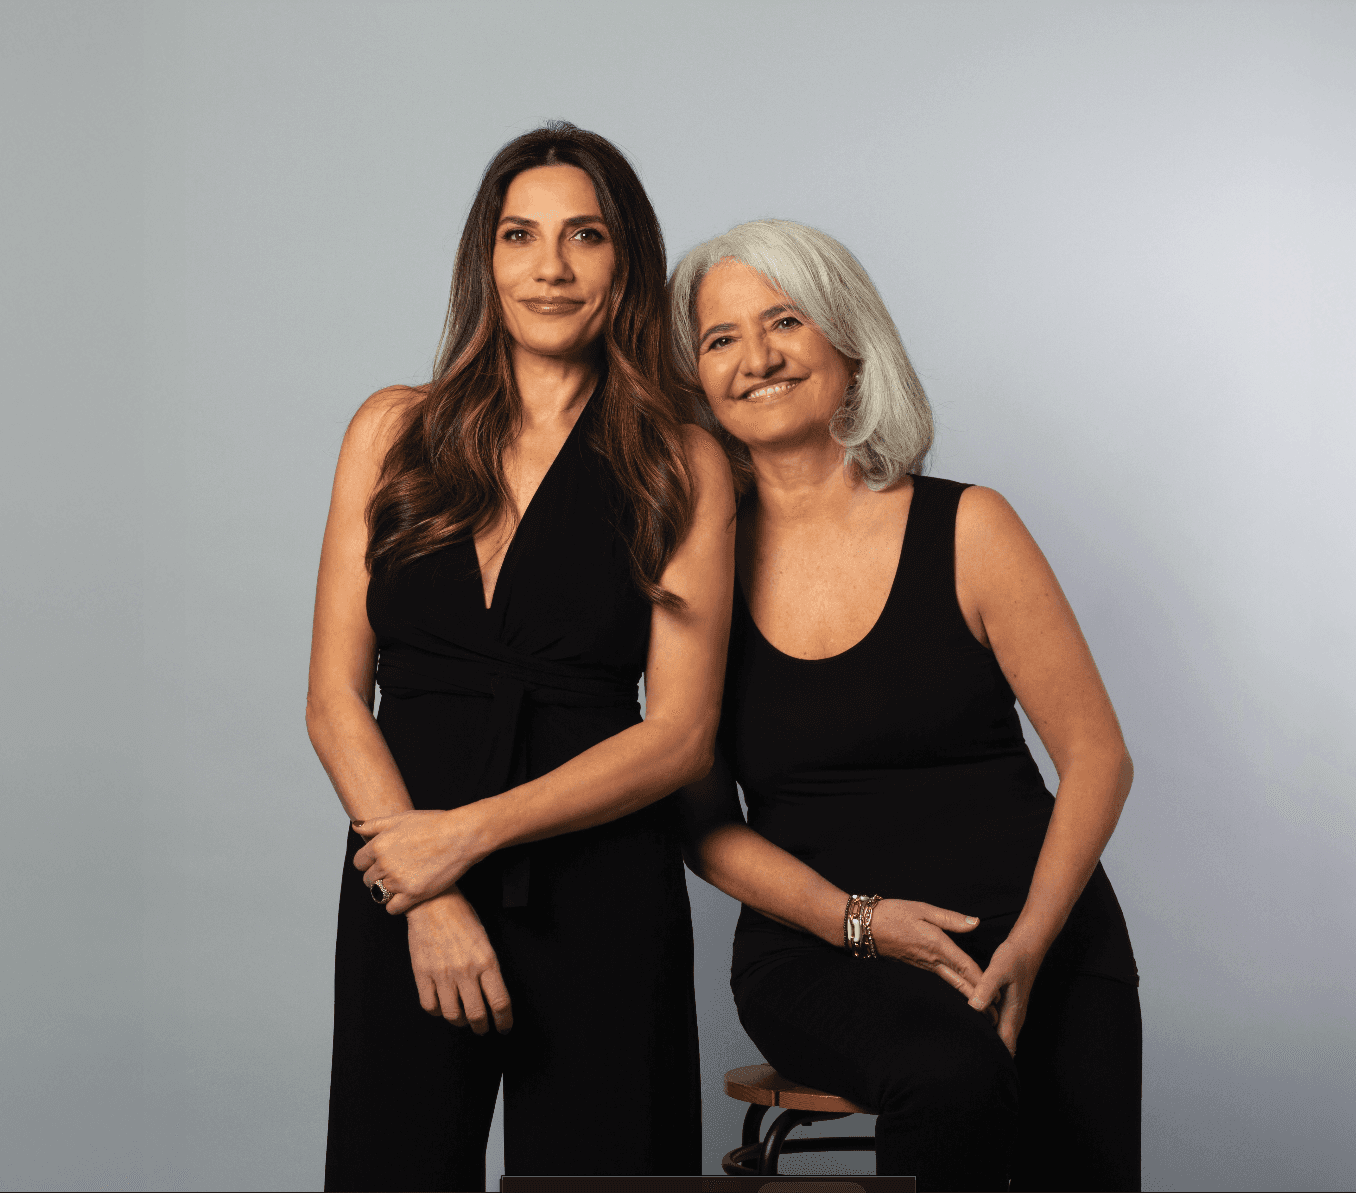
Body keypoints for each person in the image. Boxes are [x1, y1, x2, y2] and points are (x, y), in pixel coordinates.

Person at [669, 219, 1141, 1193]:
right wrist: (859, 920)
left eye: (784, 321)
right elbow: (703, 824)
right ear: (695, 380)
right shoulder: (695, 565)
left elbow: (1097, 755)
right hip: (822, 949)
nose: (755, 357)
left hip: (1037, 929)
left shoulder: (970, 526)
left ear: (845, 339)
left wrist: (1028, 944)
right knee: (947, 1075)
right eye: (720, 339)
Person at [306, 122, 734, 1192]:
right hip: (401, 881)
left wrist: (465, 836)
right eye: (519, 235)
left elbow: (679, 735)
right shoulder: (389, 428)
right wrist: (429, 889)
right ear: (484, 257)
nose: (549, 267)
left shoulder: (678, 456)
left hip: (600, 886)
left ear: (623, 261)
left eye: (584, 236)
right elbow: (331, 699)